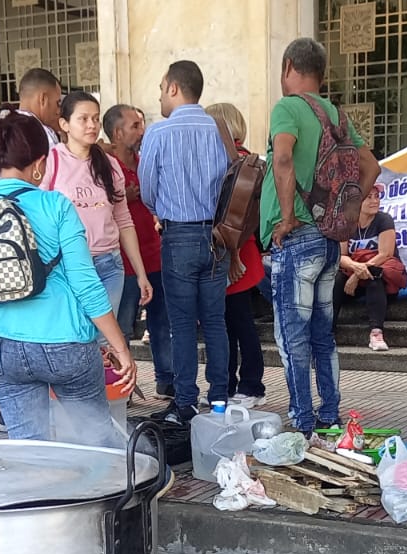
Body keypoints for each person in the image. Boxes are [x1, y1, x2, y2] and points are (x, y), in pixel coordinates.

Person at [0, 113, 136, 448]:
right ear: (39, 164)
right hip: (65, 345)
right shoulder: (55, 206)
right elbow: (85, 284)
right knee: (97, 444)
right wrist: (119, 347)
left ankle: (42, 499)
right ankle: (104, 499)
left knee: (29, 454)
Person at [262, 39, 381, 435]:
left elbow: (282, 158)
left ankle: (303, 424)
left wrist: (284, 217)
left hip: (298, 240)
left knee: (291, 337)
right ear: (322, 72)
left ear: (288, 65)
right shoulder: (336, 114)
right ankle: (330, 416)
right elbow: (372, 168)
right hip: (330, 242)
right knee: (322, 337)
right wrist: (347, 213)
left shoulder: (288, 108)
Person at [139, 60, 233, 425]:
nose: (160, 95)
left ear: (174, 88)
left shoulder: (158, 134)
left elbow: (147, 190)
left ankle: (186, 402)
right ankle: (220, 397)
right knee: (214, 320)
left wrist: (162, 207)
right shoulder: (219, 129)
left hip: (178, 234)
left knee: (181, 324)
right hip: (217, 236)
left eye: (162, 88)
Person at [50, 91, 153, 344]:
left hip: (110, 266)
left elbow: (124, 220)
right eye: (83, 119)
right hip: (69, 266)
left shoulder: (109, 164)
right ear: (64, 124)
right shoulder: (51, 162)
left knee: (104, 341)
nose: (91, 125)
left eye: (95, 119)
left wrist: (140, 273)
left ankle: (104, 386)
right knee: (73, 340)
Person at [103, 103, 173, 397]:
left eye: (142, 124)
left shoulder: (145, 161)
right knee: (121, 326)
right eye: (135, 126)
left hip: (152, 252)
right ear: (117, 133)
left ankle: (166, 379)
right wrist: (123, 196)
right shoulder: (105, 167)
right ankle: (122, 385)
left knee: (161, 321)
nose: (142, 131)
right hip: (124, 260)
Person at [207, 101, 268, 405]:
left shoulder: (235, 165)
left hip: (235, 256)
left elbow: (237, 218)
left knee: (237, 323)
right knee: (233, 323)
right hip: (241, 254)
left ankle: (249, 385)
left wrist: (233, 257)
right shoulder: (247, 161)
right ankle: (233, 385)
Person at [337, 184, 406, 353]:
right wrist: (354, 267)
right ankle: (326, 331)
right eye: (369, 197)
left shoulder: (384, 220)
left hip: (381, 278)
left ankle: (376, 332)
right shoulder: (347, 222)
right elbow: (340, 255)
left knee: (374, 277)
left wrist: (356, 275)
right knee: (335, 280)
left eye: (377, 196)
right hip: (356, 274)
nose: (375, 201)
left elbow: (385, 254)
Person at [0, 68, 62, 187]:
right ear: (43, 99)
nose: (58, 111)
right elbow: (56, 181)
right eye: (57, 103)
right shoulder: (41, 132)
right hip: (32, 203)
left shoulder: (1, 129)